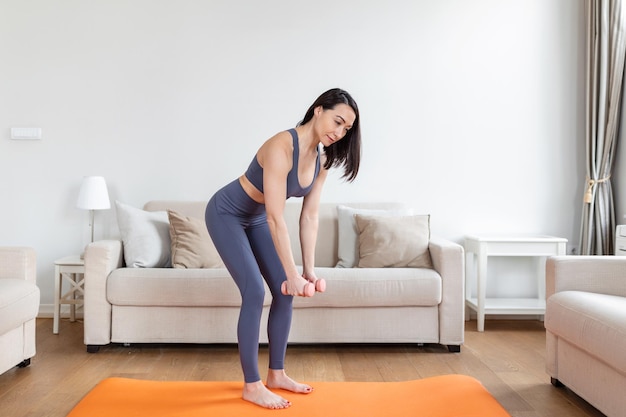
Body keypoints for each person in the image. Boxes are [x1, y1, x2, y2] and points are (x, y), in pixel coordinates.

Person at [205, 88, 361, 409]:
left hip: (257, 219)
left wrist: (308, 270)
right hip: (227, 214)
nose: (339, 132)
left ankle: (276, 374)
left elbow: (310, 216)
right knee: (254, 292)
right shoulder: (281, 146)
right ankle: (252, 385)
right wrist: (291, 273)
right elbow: (276, 217)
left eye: (346, 129)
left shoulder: (322, 160)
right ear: (318, 110)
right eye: (338, 121)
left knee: (284, 291)